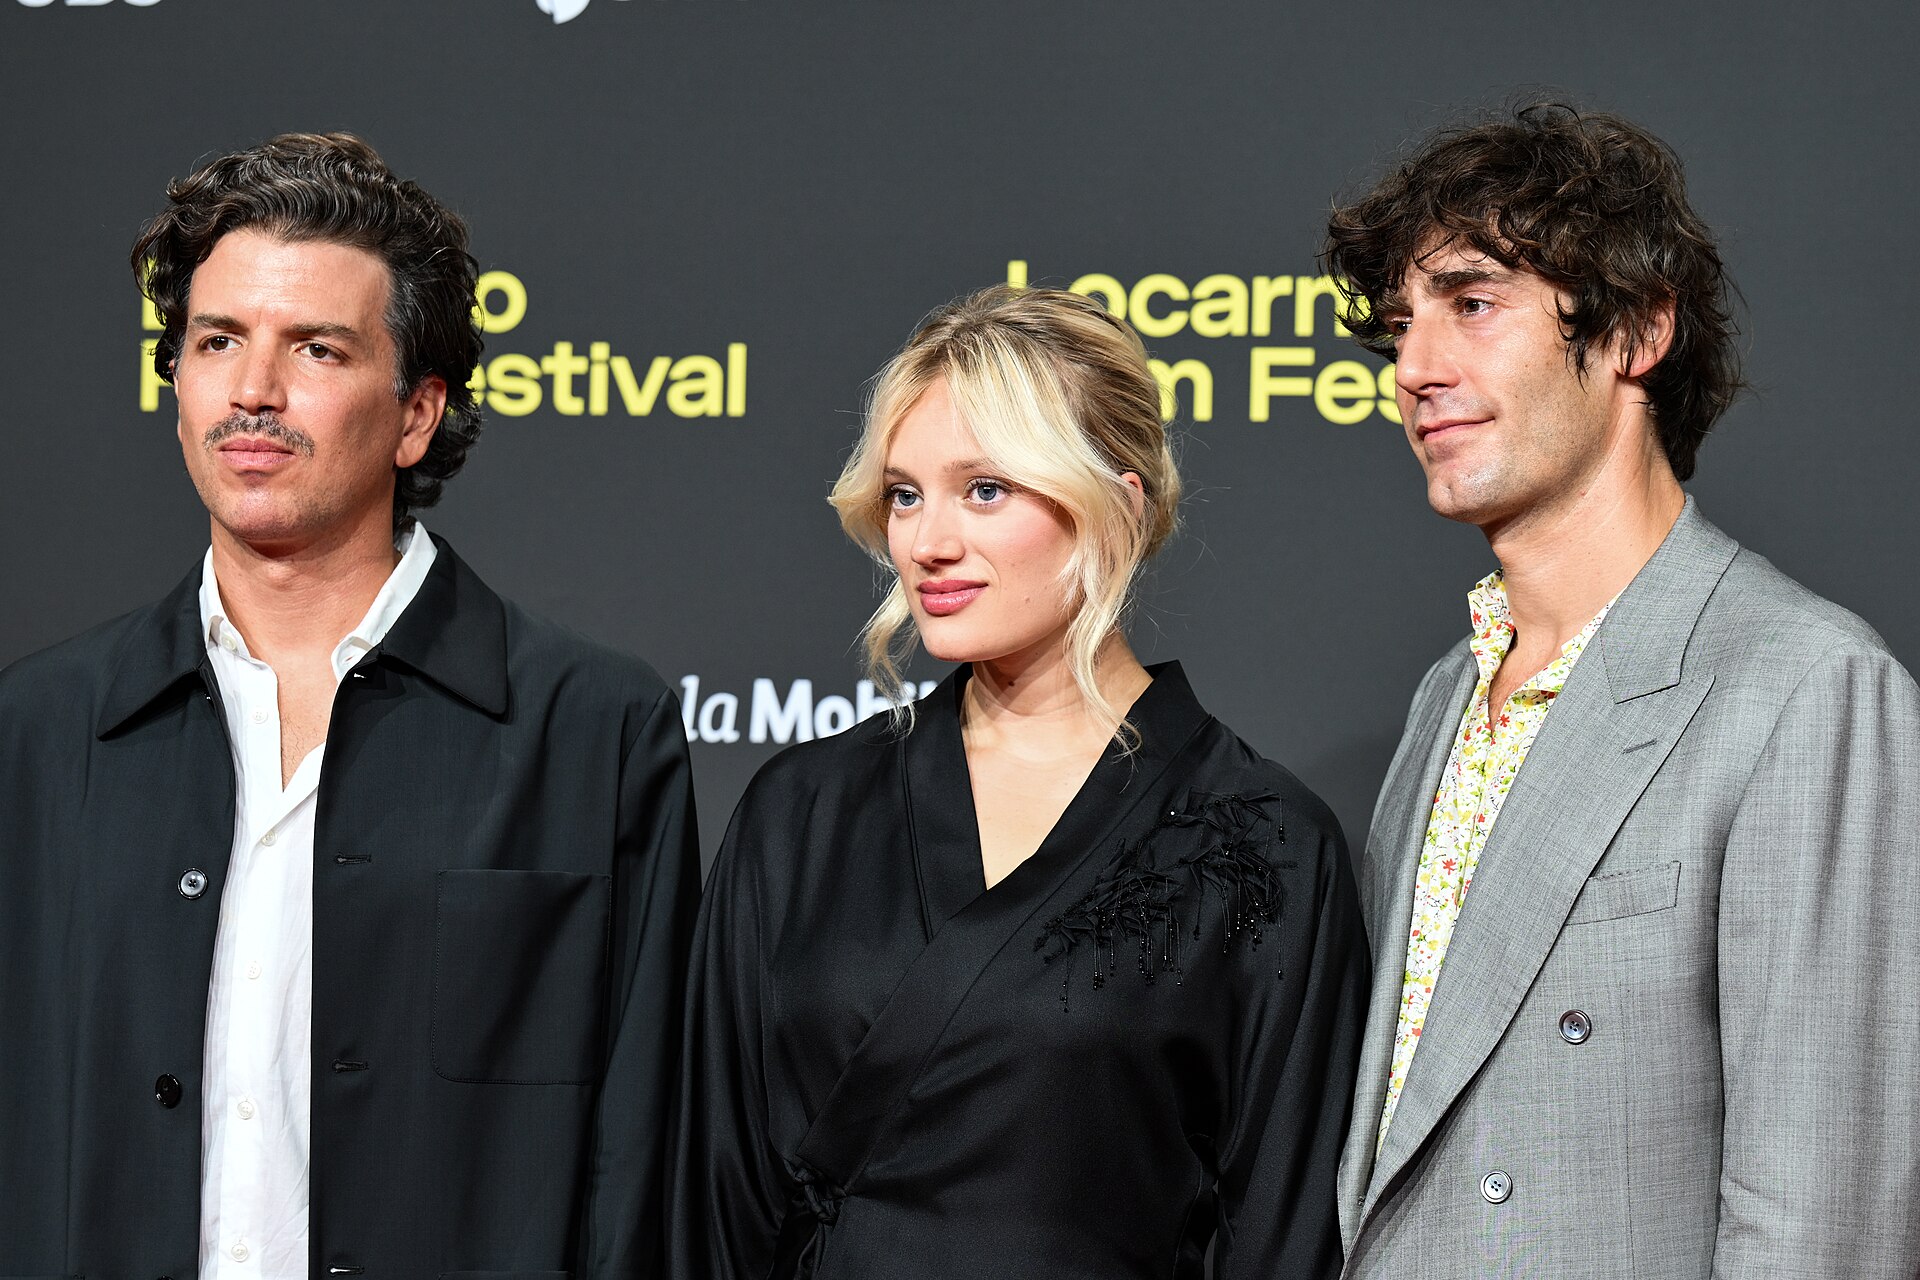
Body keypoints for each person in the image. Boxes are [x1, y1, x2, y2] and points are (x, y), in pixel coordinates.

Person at [0, 133, 701, 1278]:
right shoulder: (37, 733)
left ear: (417, 413)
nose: (254, 391)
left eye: (314, 349)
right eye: (217, 340)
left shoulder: (593, 730)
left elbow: (641, 1173)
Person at [1324, 103, 1920, 1277]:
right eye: (1401, 326)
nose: (1415, 369)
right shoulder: (1445, 697)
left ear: (1638, 331)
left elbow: (1822, 1228)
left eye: (1473, 303)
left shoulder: (1808, 688)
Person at [670, 284, 1368, 1279]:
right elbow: (712, 1203)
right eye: (905, 493)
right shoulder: (803, 812)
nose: (927, 541)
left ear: (1114, 504)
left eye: (985, 489)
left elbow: (1282, 1237)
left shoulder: (1264, 844)